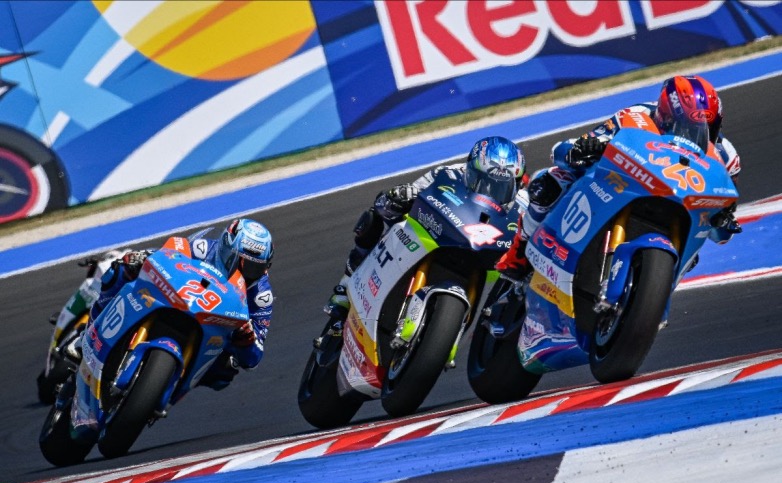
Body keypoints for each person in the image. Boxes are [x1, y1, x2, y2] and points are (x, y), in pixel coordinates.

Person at [496, 75, 743, 281]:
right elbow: (568, 150)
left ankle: (645, 297)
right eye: (685, 125)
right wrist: (583, 149)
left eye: (705, 127)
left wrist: (723, 217)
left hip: (676, 213)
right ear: (665, 115)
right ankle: (520, 250)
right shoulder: (635, 116)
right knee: (550, 182)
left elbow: (721, 234)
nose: (693, 134)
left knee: (692, 256)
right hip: (623, 188)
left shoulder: (725, 158)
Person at [325, 136, 528, 320]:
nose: (491, 190)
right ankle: (345, 285)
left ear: (517, 184)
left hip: (486, 251)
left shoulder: (523, 202)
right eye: (484, 181)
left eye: (503, 186)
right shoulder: (447, 174)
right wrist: (400, 195)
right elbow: (408, 194)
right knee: (375, 215)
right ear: (470, 170)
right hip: (440, 234)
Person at [64, 218, 274, 391]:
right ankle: (88, 336)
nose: (250, 274)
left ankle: (164, 388)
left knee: (227, 370)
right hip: (177, 300)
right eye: (245, 265)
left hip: (213, 332)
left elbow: (254, 359)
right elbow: (166, 254)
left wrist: (247, 340)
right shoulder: (203, 249)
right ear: (227, 249)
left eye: (258, 268)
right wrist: (142, 257)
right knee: (120, 270)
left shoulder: (261, 295)